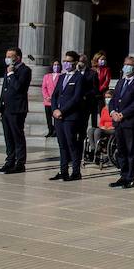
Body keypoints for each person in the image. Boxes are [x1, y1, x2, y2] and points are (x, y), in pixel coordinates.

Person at [107, 56, 134, 188]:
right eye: (125, 64)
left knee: (131, 150)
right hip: (118, 122)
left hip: (130, 122)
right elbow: (113, 100)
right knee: (121, 150)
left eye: (129, 65)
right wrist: (112, 112)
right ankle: (123, 175)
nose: (126, 67)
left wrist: (123, 114)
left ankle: (130, 177)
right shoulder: (120, 82)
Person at [50, 51, 89, 182]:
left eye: (69, 61)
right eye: (65, 61)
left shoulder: (79, 78)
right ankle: (63, 170)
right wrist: (55, 109)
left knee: (72, 143)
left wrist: (63, 111)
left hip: (70, 117)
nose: (66, 64)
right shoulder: (61, 77)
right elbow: (55, 95)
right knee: (62, 144)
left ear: (75, 63)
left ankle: (76, 171)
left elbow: (76, 98)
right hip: (58, 116)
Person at [0, 46, 31, 174]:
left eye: (10, 56)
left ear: (18, 57)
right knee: (8, 137)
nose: (8, 59)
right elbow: (4, 89)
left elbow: (19, 88)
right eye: (7, 56)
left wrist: (11, 74)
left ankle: (20, 163)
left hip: (17, 109)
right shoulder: (8, 70)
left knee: (17, 136)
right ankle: (9, 161)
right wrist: (0, 107)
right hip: (6, 109)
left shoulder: (25, 70)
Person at [89, 51, 111, 129]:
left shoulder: (107, 69)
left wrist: (99, 89)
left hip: (102, 92)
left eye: (104, 60)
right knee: (93, 110)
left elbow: (107, 81)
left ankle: (103, 124)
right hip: (93, 93)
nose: (103, 61)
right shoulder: (92, 70)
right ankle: (94, 126)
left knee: (102, 109)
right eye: (101, 59)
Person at [41, 59, 61, 138]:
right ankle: (50, 130)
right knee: (48, 117)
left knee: (55, 116)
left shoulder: (61, 76)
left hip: (56, 100)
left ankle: (56, 131)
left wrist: (54, 97)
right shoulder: (47, 76)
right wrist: (46, 96)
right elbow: (44, 87)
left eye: (58, 65)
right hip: (47, 100)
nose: (56, 66)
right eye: (55, 65)